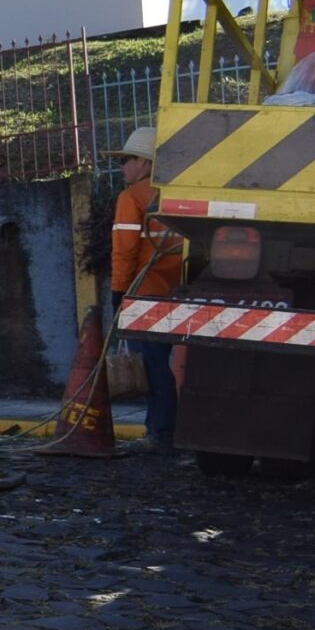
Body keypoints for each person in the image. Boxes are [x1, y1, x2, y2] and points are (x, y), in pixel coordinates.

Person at [110, 127, 185, 452]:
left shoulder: (131, 198)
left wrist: (118, 292)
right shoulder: (175, 194)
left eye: (126, 160)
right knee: (160, 364)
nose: (122, 167)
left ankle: (161, 433)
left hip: (145, 294)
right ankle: (163, 430)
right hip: (177, 291)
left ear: (143, 162)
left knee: (153, 366)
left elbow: (124, 251)